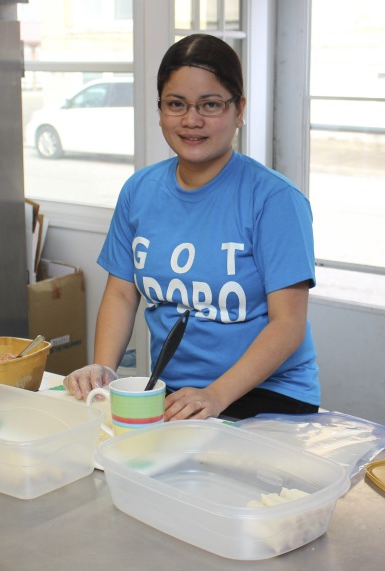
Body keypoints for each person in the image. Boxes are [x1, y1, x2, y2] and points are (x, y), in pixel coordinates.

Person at [64, 33, 320, 420]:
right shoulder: (140, 190)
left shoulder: (274, 200)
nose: (192, 120)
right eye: (176, 104)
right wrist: (104, 372)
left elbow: (288, 324)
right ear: (160, 110)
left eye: (211, 105)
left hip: (267, 393)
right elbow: (121, 293)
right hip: (174, 392)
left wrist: (217, 395)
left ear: (239, 110)